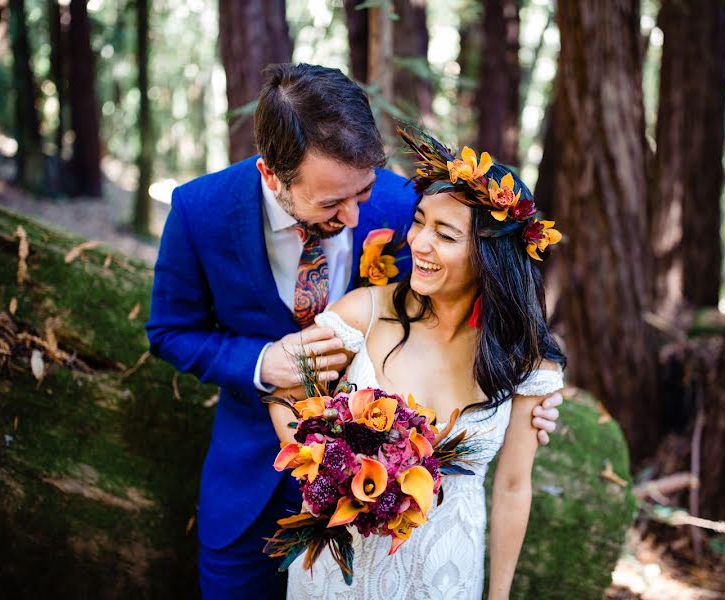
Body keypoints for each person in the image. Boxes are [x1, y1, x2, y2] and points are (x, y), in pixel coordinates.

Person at [146, 64, 562, 599]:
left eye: (360, 191)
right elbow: (169, 331)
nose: (351, 214)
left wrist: (525, 389)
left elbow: (476, 289)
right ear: (272, 175)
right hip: (248, 486)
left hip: (390, 536)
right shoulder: (200, 211)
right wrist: (260, 364)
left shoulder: (404, 208)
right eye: (329, 203)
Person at [270, 127, 566, 599]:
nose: (419, 243)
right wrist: (329, 469)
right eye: (420, 222)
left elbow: (512, 488)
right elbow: (286, 392)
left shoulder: (527, 362)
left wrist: (500, 596)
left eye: (444, 234)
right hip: (340, 571)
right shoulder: (364, 315)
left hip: (444, 573)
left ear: (489, 258)